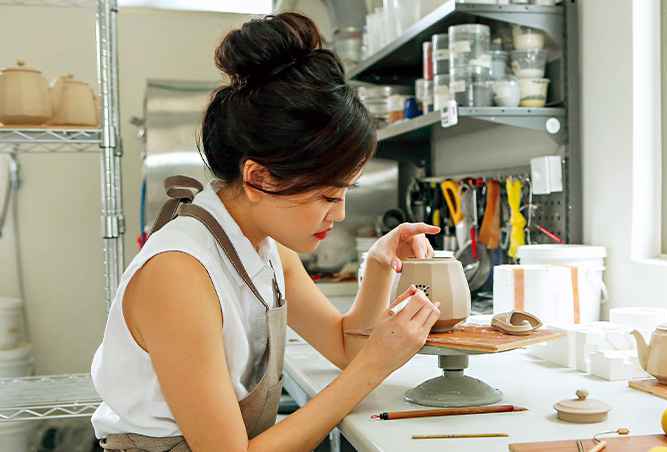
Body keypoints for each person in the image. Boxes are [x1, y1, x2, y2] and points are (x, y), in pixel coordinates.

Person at [90, 12, 441, 452]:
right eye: (329, 197)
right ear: (260, 178)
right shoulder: (179, 274)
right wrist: (375, 366)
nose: (339, 213)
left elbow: (343, 345)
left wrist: (379, 263)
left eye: (345, 192)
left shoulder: (263, 248)